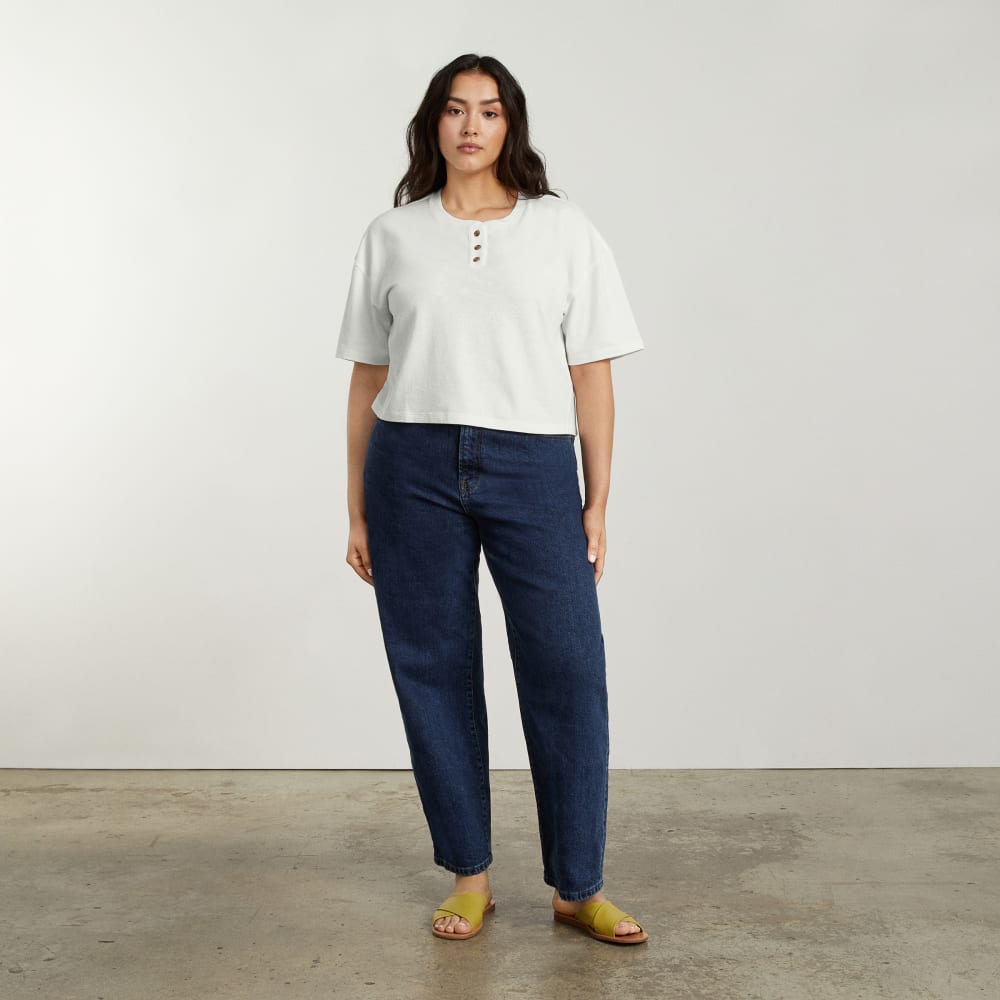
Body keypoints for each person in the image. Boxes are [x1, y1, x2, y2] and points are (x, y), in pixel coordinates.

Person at [335, 53, 649, 946]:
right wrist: (356, 508)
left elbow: (592, 374)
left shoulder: (563, 230)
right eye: (454, 109)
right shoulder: (392, 235)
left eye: (490, 110)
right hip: (410, 465)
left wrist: (597, 500)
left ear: (512, 125)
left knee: (568, 668)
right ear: (432, 124)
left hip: (533, 465)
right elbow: (367, 380)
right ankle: (469, 874)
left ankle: (578, 884)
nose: (471, 125)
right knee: (432, 667)